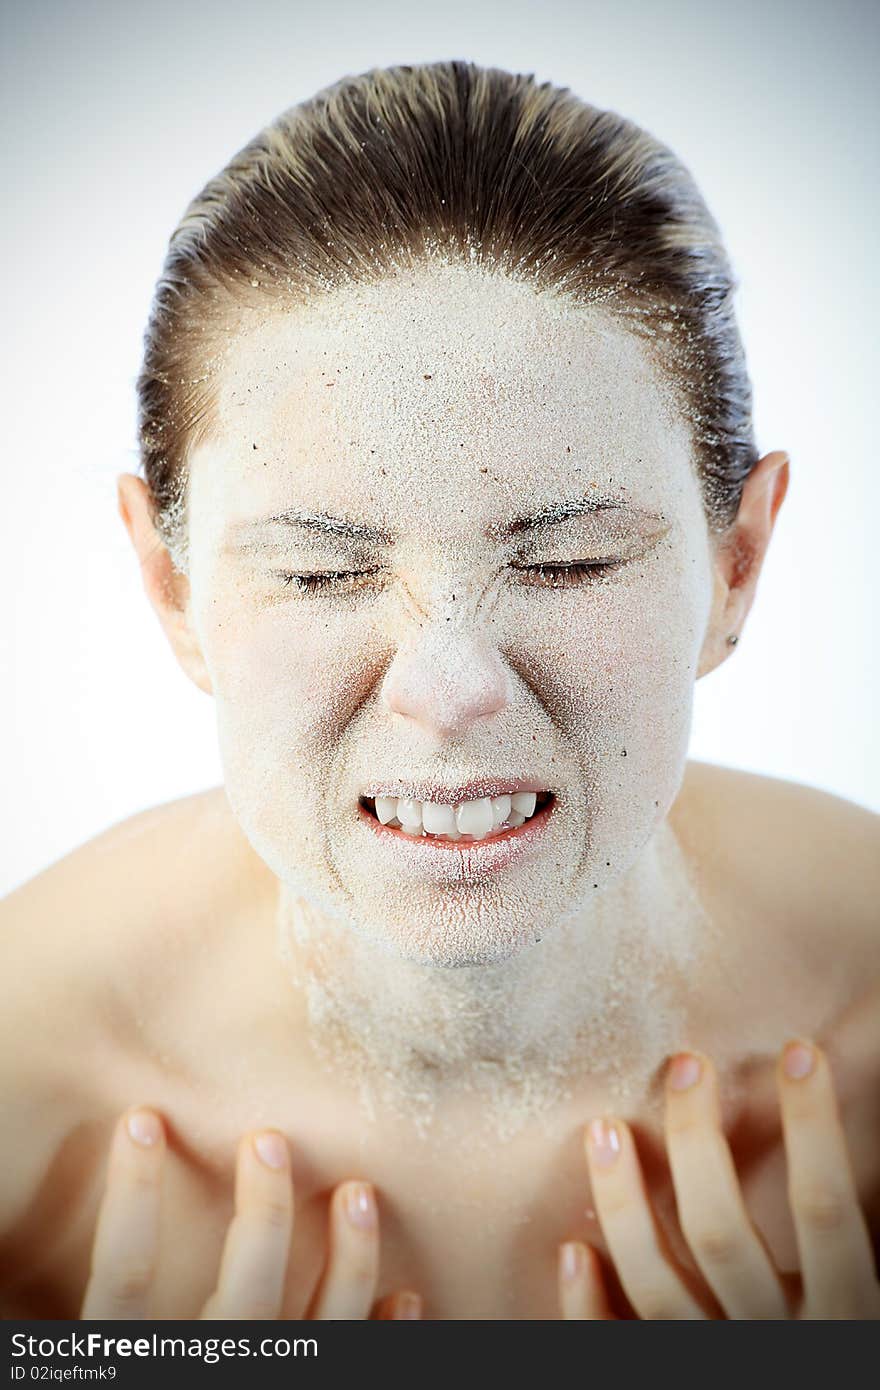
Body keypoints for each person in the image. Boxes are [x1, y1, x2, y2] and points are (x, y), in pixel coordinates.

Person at [1, 59, 877, 1321]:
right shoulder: (22, 1095)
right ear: (169, 585)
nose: (450, 689)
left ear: (736, 562)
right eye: (319, 572)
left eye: (567, 559)